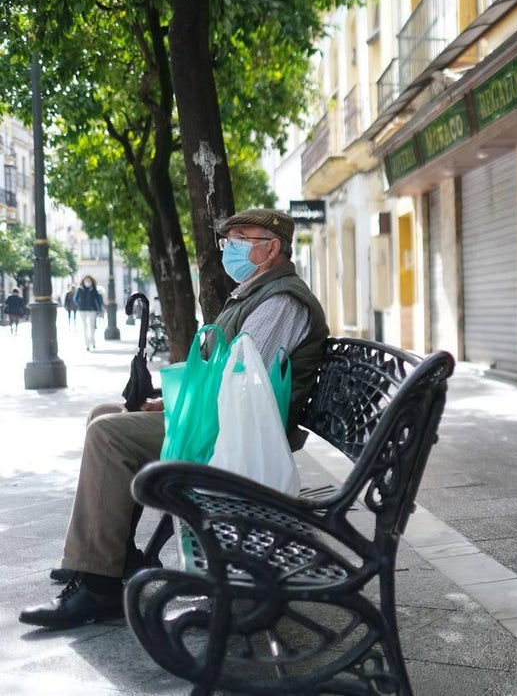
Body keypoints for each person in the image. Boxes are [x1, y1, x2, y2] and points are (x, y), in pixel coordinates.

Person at [19, 208, 329, 629]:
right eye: (228, 240)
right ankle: (113, 554)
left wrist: (169, 408)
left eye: (241, 238)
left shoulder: (281, 301)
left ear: (271, 248)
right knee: (103, 414)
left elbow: (239, 384)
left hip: (235, 434)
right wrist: (164, 404)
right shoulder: (256, 293)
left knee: (110, 435)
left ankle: (97, 585)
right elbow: (222, 375)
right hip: (224, 421)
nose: (231, 247)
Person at [73, 276, 104, 351]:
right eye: (86, 281)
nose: (87, 282)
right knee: (85, 327)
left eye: (89, 281)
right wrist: (79, 304)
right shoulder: (79, 289)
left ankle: (92, 342)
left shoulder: (94, 290)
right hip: (82, 310)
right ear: (83, 281)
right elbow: (75, 299)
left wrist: (99, 309)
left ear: (91, 282)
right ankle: (87, 344)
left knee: (92, 327)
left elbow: (98, 300)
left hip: (92, 310)